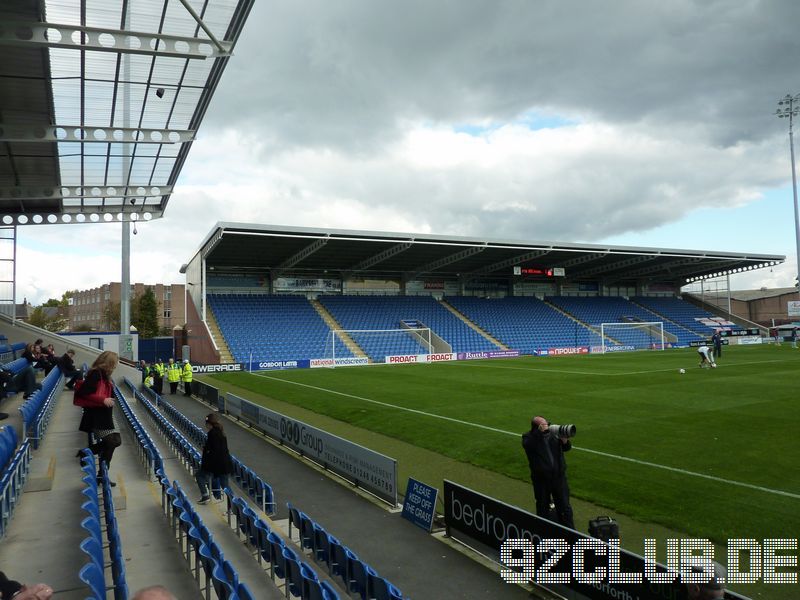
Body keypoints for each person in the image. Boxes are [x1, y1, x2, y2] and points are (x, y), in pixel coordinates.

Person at [74, 351, 122, 486]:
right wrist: (103, 399)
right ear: (110, 362)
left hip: (106, 414)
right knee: (111, 442)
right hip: (97, 415)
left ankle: (90, 458)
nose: (117, 365)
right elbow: (83, 392)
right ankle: (102, 475)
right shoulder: (96, 373)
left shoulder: (105, 375)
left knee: (116, 441)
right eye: (115, 362)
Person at [521, 415, 575, 529]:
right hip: (541, 480)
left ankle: (570, 532)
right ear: (537, 427)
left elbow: (567, 448)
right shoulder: (528, 437)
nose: (548, 427)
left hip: (559, 478)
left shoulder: (553, 436)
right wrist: (539, 433)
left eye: (547, 424)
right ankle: (544, 532)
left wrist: (565, 441)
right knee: (542, 507)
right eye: (544, 425)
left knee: (565, 507)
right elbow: (528, 444)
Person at [195, 413, 233, 504]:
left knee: (199, 475)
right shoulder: (220, 433)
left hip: (217, 465)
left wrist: (206, 465)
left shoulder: (213, 434)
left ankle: (205, 496)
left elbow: (214, 452)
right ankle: (233, 505)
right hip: (224, 465)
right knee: (225, 486)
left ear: (209, 424)